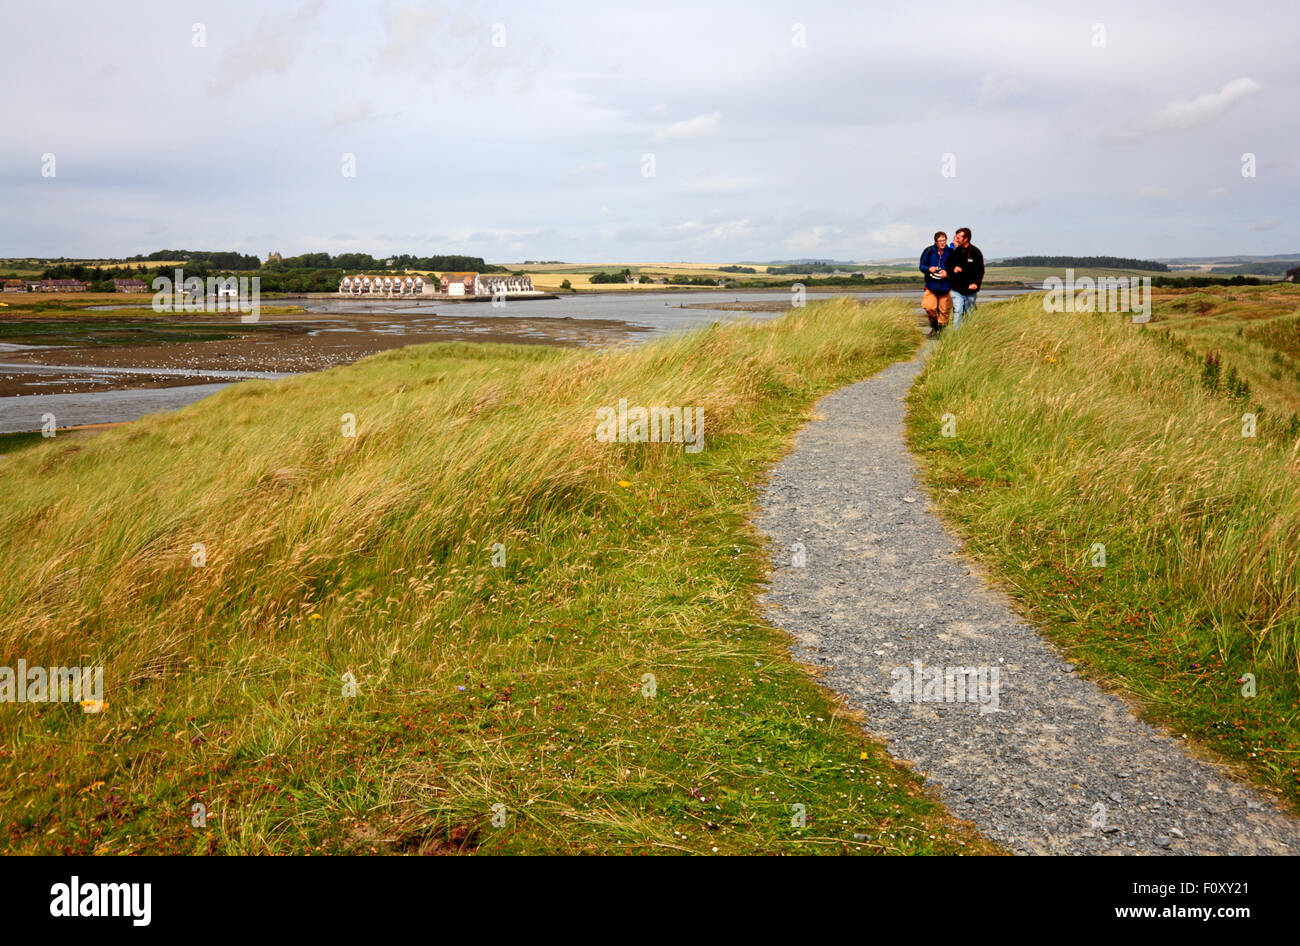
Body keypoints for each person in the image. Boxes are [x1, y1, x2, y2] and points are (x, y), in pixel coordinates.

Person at [947, 227, 984, 329]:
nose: (956, 239)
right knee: (958, 311)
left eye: (958, 237)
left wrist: (976, 284)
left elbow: (981, 271)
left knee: (970, 314)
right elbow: (947, 265)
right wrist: (953, 268)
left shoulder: (976, 252)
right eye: (956, 237)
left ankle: (969, 334)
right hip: (956, 289)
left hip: (971, 290)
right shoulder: (955, 251)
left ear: (966, 239)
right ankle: (956, 336)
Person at [918, 231, 953, 335]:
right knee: (929, 307)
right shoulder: (928, 251)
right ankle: (935, 327)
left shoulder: (952, 253)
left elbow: (957, 269)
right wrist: (929, 268)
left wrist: (947, 273)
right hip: (931, 286)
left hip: (946, 287)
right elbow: (921, 266)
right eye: (940, 241)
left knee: (944, 311)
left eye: (944, 240)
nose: (942, 243)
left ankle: (940, 334)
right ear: (936, 242)